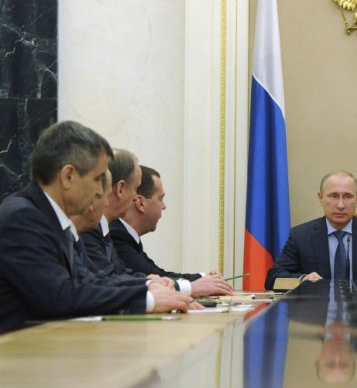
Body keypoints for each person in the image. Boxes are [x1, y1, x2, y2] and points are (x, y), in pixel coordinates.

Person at [0, 121, 191, 333]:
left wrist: (146, 287)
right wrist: (147, 299)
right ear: (68, 176)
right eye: (98, 178)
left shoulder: (52, 218)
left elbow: (90, 279)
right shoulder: (23, 217)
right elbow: (60, 296)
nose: (103, 190)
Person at [265, 170, 357, 290]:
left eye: (348, 196)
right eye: (333, 196)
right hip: (317, 318)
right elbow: (273, 279)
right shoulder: (301, 236)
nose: (341, 205)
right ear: (320, 198)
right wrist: (302, 279)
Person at [110, 166, 233, 297]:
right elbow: (147, 275)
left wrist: (204, 279)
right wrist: (196, 284)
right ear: (140, 203)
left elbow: (156, 273)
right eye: (160, 199)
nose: (164, 206)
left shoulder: (126, 234)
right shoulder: (116, 234)